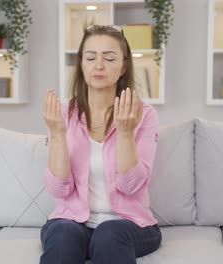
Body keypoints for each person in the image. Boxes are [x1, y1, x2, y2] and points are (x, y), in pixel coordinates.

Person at [40, 24, 161, 264]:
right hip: (72, 222)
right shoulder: (63, 113)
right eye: (90, 57)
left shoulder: (144, 115)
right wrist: (57, 134)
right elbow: (59, 190)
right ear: (82, 64)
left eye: (109, 58)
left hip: (130, 225)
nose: (98, 65)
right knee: (63, 234)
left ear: (123, 65)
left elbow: (131, 186)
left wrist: (126, 132)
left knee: (108, 235)